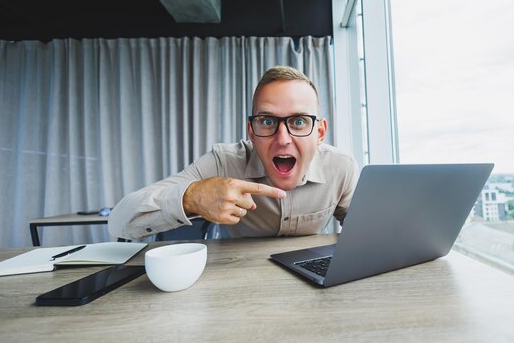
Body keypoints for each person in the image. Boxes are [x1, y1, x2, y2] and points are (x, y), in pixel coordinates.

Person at [108, 66, 359, 240]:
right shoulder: (223, 164)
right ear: (251, 130)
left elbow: (366, 233)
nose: (283, 139)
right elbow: (119, 222)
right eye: (267, 121)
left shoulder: (341, 168)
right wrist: (192, 197)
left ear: (320, 132)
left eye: (299, 122)